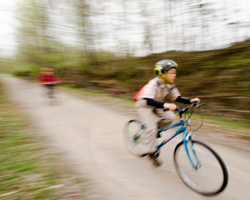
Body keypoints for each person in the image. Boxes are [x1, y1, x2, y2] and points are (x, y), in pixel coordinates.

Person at [134, 59, 200, 167]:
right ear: (162, 74)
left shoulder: (170, 84)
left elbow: (176, 97)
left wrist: (190, 100)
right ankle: (150, 152)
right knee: (151, 127)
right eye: (171, 73)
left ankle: (155, 131)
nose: (174, 75)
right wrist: (166, 105)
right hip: (144, 105)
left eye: (175, 73)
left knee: (170, 117)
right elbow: (147, 100)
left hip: (158, 104)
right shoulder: (153, 83)